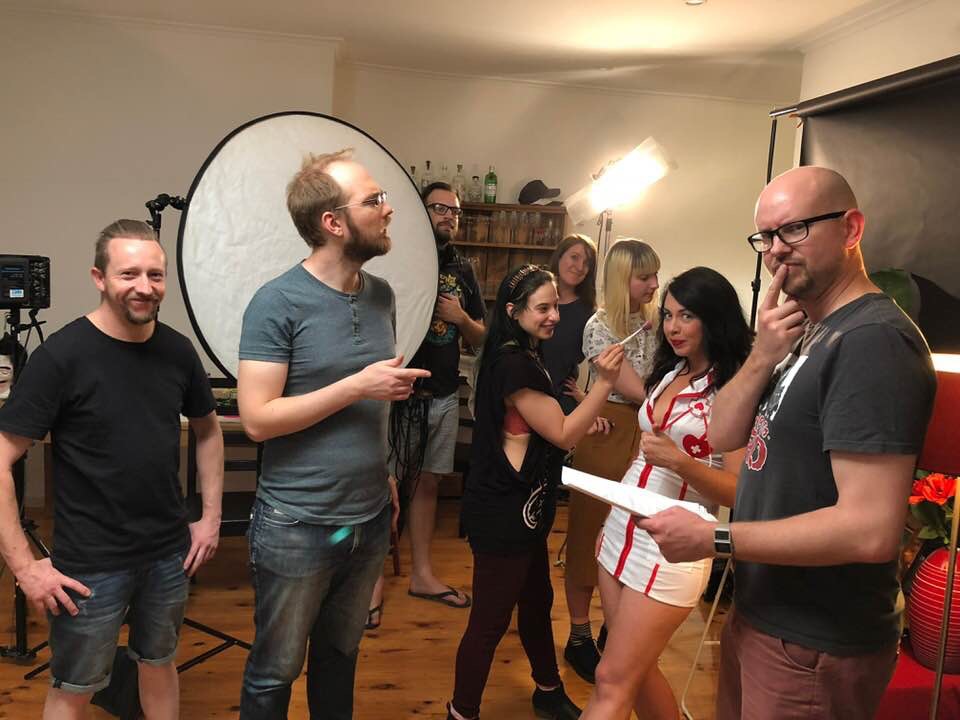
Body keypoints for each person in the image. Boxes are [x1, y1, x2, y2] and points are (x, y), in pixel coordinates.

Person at [639, 167, 937, 720]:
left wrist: (715, 538)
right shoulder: (804, 331)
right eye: (766, 236)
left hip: (813, 640)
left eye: (794, 229)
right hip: (765, 614)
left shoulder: (872, 341)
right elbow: (722, 434)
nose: (776, 249)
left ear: (851, 229)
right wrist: (762, 351)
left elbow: (870, 529)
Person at [0, 219, 224, 720]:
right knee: (74, 688)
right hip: (89, 565)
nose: (145, 287)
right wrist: (25, 568)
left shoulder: (177, 351)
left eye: (155, 275)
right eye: (129, 274)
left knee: (159, 663)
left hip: (168, 554)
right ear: (99, 278)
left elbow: (208, 431)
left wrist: (209, 518)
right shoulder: (62, 356)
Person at [237, 149, 429, 719]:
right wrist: (355, 386)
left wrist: (385, 475)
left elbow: (374, 406)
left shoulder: (380, 295)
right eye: (374, 200)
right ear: (333, 222)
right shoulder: (276, 302)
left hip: (366, 518)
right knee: (273, 675)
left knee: (340, 657)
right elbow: (257, 419)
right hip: (296, 524)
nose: (388, 209)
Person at [447, 264, 624, 720]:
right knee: (489, 622)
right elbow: (562, 433)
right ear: (513, 311)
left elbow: (545, 425)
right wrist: (605, 383)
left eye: (555, 306)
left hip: (523, 510)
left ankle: (548, 689)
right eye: (542, 308)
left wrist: (580, 419)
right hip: (504, 514)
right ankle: (461, 713)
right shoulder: (515, 362)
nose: (554, 316)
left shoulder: (519, 351)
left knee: (536, 602)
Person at [581, 267, 752, 720]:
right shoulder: (669, 370)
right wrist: (612, 519)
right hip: (622, 528)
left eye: (687, 316)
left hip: (672, 547)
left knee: (610, 678)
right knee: (634, 674)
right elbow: (644, 460)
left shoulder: (731, 390)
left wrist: (680, 462)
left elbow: (738, 491)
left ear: (714, 318)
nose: (673, 327)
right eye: (669, 315)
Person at [367, 181, 483, 628]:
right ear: (420, 211)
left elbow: (482, 337)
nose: (449, 216)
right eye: (439, 208)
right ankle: (372, 583)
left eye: (455, 211)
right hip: (399, 394)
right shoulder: (393, 260)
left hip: (445, 394)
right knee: (384, 487)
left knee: (429, 484)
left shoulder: (464, 270)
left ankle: (422, 575)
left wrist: (460, 318)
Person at [562, 238, 661, 682]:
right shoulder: (600, 328)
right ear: (623, 280)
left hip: (647, 433)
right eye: (644, 277)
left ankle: (612, 631)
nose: (654, 284)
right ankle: (579, 636)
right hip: (611, 429)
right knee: (589, 535)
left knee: (632, 541)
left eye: (655, 275)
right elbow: (639, 390)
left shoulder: (656, 323)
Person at [539, 234, 598, 415]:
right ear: (559, 256)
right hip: (522, 394)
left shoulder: (589, 313)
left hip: (560, 403)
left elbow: (601, 365)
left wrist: (583, 397)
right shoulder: (534, 294)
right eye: (574, 257)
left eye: (587, 263)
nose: (580, 267)